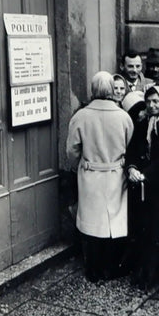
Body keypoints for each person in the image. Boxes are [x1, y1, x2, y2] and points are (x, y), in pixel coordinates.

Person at [66, 71, 134, 282]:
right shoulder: (123, 116)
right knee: (114, 223)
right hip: (115, 173)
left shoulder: (80, 116)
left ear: (93, 90)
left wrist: (78, 166)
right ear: (113, 90)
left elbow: (72, 150)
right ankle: (111, 267)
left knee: (91, 223)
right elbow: (129, 142)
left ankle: (93, 269)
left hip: (90, 174)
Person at [125, 85, 159, 287]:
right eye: (149, 101)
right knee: (142, 227)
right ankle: (142, 270)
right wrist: (132, 168)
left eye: (156, 101)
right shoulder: (142, 121)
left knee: (158, 228)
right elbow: (133, 148)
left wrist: (147, 173)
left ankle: (154, 273)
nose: (152, 105)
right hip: (142, 183)